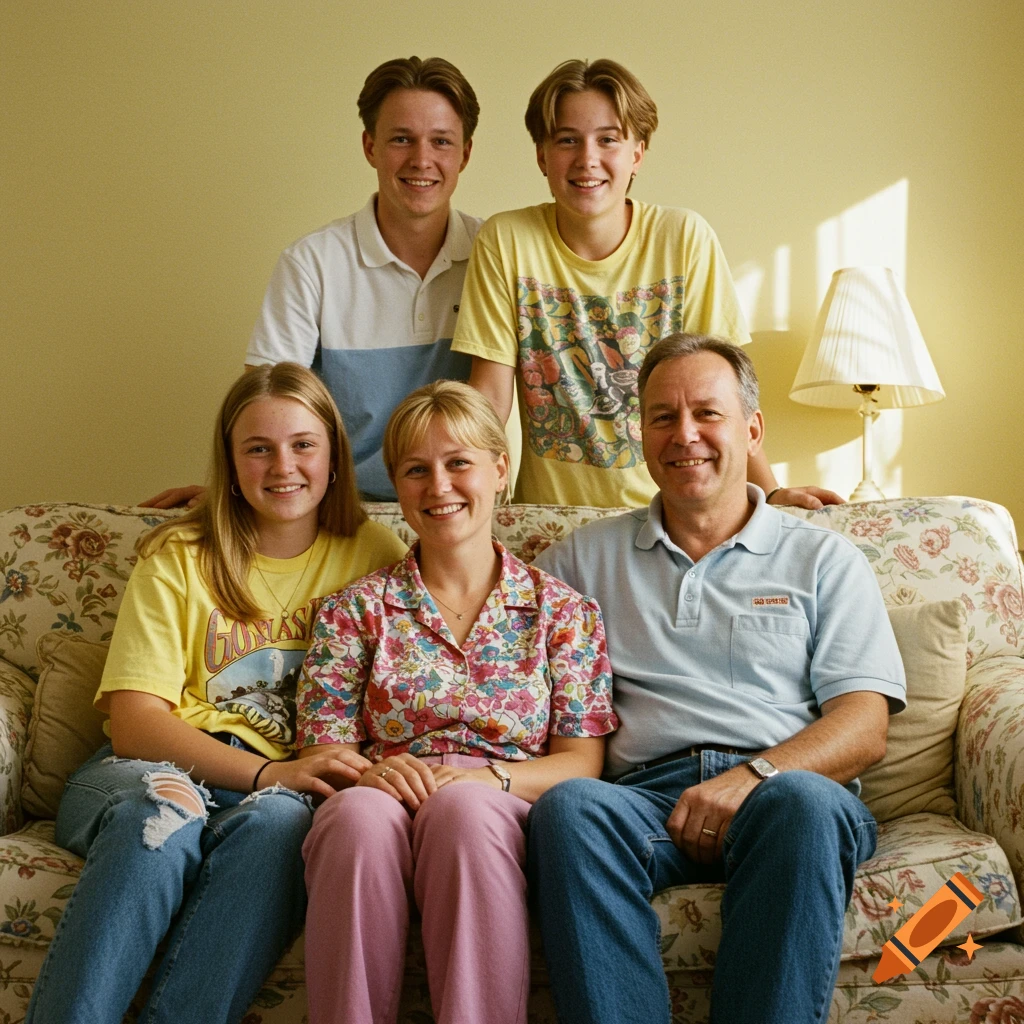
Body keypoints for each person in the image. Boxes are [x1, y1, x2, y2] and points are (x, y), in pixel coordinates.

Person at [527, 333, 906, 1024]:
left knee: (805, 806)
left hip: (787, 797)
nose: (685, 436)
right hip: (643, 804)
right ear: (641, 433)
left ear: (752, 429)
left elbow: (864, 725)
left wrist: (754, 776)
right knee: (571, 809)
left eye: (708, 413)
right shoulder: (579, 561)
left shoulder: (824, 559)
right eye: (663, 417)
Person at [26, 363, 407, 1024]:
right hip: (151, 769)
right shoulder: (181, 552)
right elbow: (135, 725)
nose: (282, 465)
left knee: (284, 824)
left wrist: (285, 782)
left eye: (302, 445)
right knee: (165, 815)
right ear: (230, 464)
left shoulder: (373, 551)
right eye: (258, 448)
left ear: (336, 459)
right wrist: (270, 770)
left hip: (280, 796)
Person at [295, 380, 617, 1024]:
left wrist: (491, 779)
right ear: (397, 487)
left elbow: (581, 760)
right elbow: (322, 744)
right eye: (416, 470)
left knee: (464, 812)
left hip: (499, 797)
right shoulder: (353, 610)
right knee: (355, 821)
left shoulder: (563, 613)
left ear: (500, 470)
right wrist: (372, 771)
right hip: (381, 787)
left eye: (458, 463)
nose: (438, 486)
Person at [451, 58, 841, 511]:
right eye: (567, 140)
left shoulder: (684, 238)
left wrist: (770, 493)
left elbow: (723, 395)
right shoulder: (506, 240)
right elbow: (490, 399)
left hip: (674, 512)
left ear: (637, 152)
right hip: (552, 521)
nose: (587, 159)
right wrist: (467, 501)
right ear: (542, 155)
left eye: (608, 140)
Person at [143, 55, 482, 508]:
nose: (422, 159)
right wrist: (234, 494)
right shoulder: (312, 263)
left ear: (465, 153)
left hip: (456, 508)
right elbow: (268, 408)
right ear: (370, 146)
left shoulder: (493, 254)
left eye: (441, 141)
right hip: (340, 511)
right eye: (401, 139)